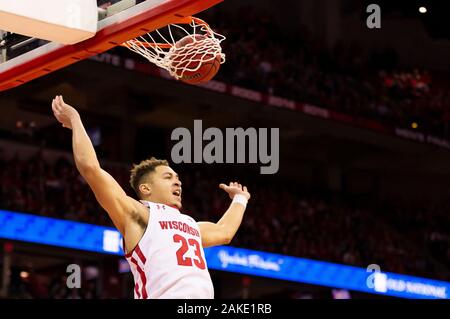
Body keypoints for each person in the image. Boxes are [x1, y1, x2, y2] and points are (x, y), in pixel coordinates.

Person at [51, 95, 250, 299]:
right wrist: (75, 120)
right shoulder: (140, 215)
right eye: (168, 177)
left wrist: (240, 199)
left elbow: (224, 232)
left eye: (177, 178)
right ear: (146, 188)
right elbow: (91, 169)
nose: (177, 182)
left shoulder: (190, 225)